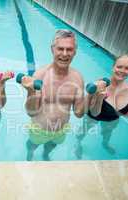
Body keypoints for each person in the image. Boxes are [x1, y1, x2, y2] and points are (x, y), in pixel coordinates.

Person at [22, 29, 87, 161]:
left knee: (51, 146)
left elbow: (79, 113)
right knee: (32, 145)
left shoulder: (77, 78)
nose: (64, 54)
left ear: (75, 51)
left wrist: (93, 96)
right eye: (60, 49)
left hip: (60, 131)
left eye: (69, 49)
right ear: (53, 49)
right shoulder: (40, 76)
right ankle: (29, 155)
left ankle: (46, 154)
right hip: (39, 129)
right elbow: (31, 112)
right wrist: (30, 92)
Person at [75, 54, 128, 158]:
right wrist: (99, 98)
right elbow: (94, 113)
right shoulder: (101, 85)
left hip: (112, 119)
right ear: (113, 67)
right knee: (83, 130)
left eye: (127, 68)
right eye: (119, 67)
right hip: (92, 116)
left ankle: (105, 144)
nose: (122, 71)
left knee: (107, 133)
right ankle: (78, 143)